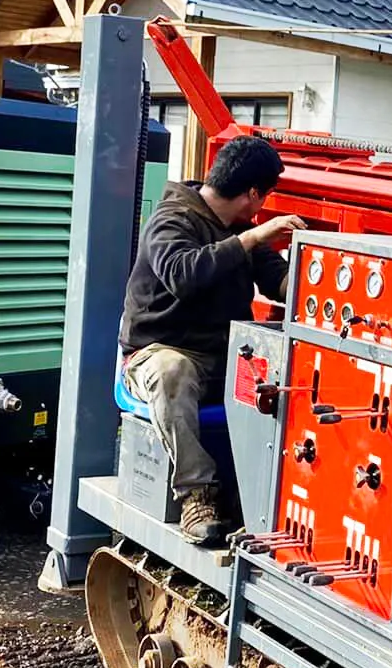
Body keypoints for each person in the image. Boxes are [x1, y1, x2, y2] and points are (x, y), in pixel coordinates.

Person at [120, 135, 305, 545]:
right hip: (159, 352)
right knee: (173, 372)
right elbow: (183, 275)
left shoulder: (238, 227)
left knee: (287, 375)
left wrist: (317, 287)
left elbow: (278, 280)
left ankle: (262, 496)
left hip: (220, 355)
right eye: (264, 197)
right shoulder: (172, 220)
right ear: (253, 194)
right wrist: (252, 239)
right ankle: (195, 496)